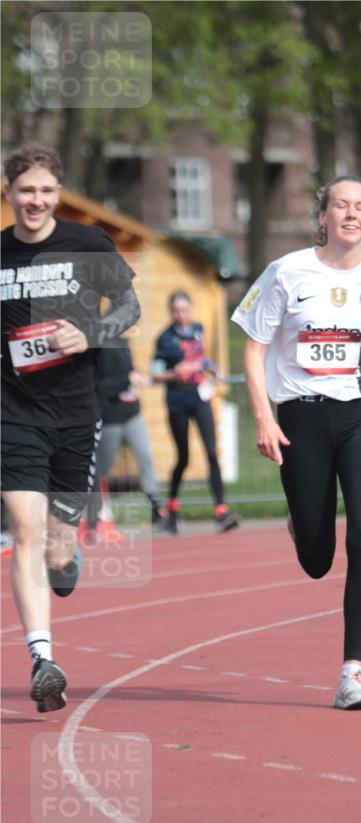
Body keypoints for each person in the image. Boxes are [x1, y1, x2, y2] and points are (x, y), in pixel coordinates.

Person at [234, 175, 361, 710]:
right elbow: (252, 352)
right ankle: (303, 524)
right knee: (318, 559)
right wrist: (262, 418)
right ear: (322, 216)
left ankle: (353, 672)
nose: (350, 214)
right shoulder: (285, 273)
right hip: (299, 419)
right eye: (340, 205)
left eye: (360, 207)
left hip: (359, 416)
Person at [1, 141, 140, 712]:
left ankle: (67, 554)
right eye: (26, 190)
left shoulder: (88, 244)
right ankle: (42, 658)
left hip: (77, 415)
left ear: (59, 194)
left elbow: (129, 309)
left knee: (57, 548)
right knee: (25, 534)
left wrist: (91, 333)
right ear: (9, 193)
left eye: (47, 191)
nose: (36, 201)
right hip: (12, 415)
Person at [152, 292, 239, 535]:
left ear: (191, 310)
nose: (181, 314)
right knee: (184, 457)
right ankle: (172, 507)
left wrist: (213, 367)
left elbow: (202, 358)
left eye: (185, 309)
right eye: (177, 310)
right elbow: (155, 372)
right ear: (171, 312)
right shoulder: (165, 339)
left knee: (212, 452)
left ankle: (222, 510)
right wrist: (173, 372)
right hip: (177, 401)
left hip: (201, 398)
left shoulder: (199, 329)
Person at [86, 343, 164, 537]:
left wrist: (139, 377)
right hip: (111, 419)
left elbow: (130, 373)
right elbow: (100, 385)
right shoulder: (101, 349)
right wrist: (126, 380)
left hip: (132, 415)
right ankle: (95, 515)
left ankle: (155, 507)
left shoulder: (125, 345)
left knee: (145, 457)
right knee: (102, 468)